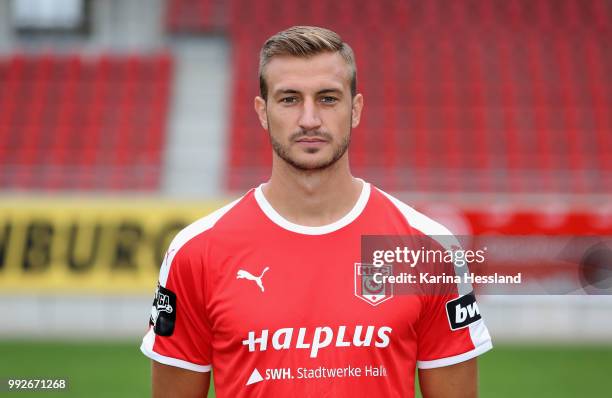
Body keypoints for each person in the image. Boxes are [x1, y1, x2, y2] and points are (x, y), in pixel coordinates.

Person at [141, 25, 492, 397]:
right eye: (289, 99)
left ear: (355, 109)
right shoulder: (197, 253)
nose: (309, 119)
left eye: (327, 98)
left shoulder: (428, 250)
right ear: (262, 112)